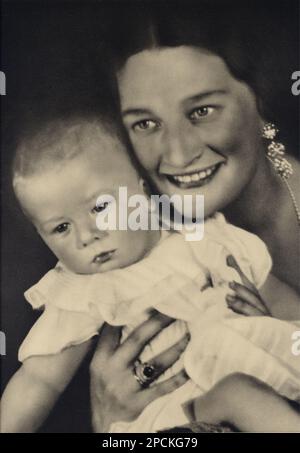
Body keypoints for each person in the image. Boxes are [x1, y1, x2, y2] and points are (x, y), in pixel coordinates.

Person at [1, 108, 299, 433]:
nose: (86, 237)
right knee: (237, 393)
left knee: (249, 389)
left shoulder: (202, 235)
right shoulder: (84, 290)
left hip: (259, 381)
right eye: (60, 228)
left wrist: (275, 319)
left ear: (141, 188)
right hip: (171, 421)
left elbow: (285, 305)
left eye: (100, 208)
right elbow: (39, 381)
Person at [89, 2, 300, 431]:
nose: (178, 155)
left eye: (201, 111)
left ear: (259, 101)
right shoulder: (136, 242)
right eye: (145, 123)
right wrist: (109, 422)